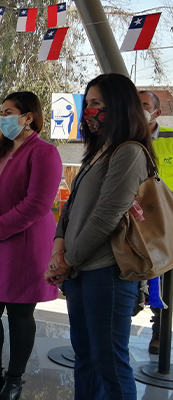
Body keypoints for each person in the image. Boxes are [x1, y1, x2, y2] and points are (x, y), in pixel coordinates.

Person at [45, 73, 154, 400]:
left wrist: (68, 261)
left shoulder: (129, 152)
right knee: (85, 357)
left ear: (119, 106)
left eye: (97, 103)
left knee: (110, 363)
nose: (89, 111)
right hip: (80, 270)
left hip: (107, 274)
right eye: (88, 103)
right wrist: (59, 247)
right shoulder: (98, 152)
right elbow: (71, 206)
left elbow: (106, 216)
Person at [0, 92, 61, 400]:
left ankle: (14, 381)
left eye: (8, 112)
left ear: (28, 117)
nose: (2, 118)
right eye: (2, 112)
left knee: (19, 315)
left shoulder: (44, 153)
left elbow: (37, 204)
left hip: (23, 246)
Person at [139, 90, 173, 355]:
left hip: (167, 223)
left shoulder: (171, 139)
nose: (137, 110)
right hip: (135, 222)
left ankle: (160, 331)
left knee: (165, 280)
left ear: (157, 112)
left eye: (144, 105)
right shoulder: (124, 139)